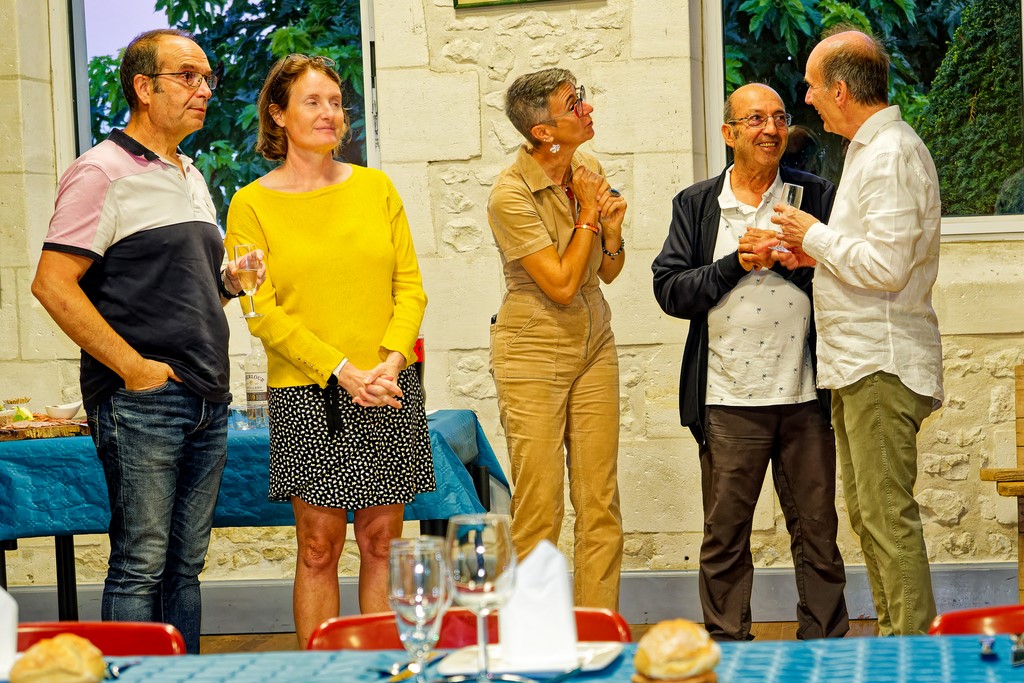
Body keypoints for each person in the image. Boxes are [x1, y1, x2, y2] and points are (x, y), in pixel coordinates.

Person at [31, 29, 264, 654]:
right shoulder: (99, 171)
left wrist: (230, 283)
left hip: (206, 397)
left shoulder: (191, 174)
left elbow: (180, 295)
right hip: (144, 400)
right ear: (143, 87)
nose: (205, 89)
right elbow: (52, 284)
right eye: (188, 76)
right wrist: (134, 369)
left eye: (207, 78)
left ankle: (178, 673)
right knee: (140, 565)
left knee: (184, 567)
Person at [224, 54, 434, 648]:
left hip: (387, 386)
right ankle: (323, 670)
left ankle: (384, 670)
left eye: (336, 102)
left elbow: (410, 288)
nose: (329, 113)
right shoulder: (250, 204)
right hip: (307, 394)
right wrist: (340, 369)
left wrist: (391, 361)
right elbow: (259, 310)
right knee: (319, 547)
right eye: (312, 101)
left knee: (382, 543)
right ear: (278, 114)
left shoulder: (376, 187)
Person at [651, 84, 848, 641]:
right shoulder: (698, 204)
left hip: (806, 395)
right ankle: (727, 648)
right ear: (729, 133)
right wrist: (736, 263)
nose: (770, 129)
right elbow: (671, 290)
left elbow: (843, 280)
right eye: (756, 119)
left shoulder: (816, 195)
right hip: (728, 398)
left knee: (819, 533)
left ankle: (826, 649)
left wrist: (787, 262)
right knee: (725, 537)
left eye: (780, 118)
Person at [772, 28, 944, 635]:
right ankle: (898, 644)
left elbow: (889, 268)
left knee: (886, 517)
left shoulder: (890, 152)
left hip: (881, 361)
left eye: (813, 87)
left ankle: (913, 654)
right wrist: (815, 255)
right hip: (860, 361)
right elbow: (871, 255)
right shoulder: (869, 149)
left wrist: (811, 234)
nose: (808, 98)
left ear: (841, 90)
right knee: (871, 516)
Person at [488, 68, 627, 610]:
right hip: (532, 349)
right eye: (574, 104)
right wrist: (590, 213)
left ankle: (598, 630)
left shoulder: (587, 169)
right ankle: (535, 635)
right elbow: (562, 285)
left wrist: (611, 231)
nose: (587, 109)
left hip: (595, 343)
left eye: (582, 97)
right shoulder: (510, 195)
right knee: (540, 506)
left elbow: (606, 271)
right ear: (543, 131)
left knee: (600, 502)